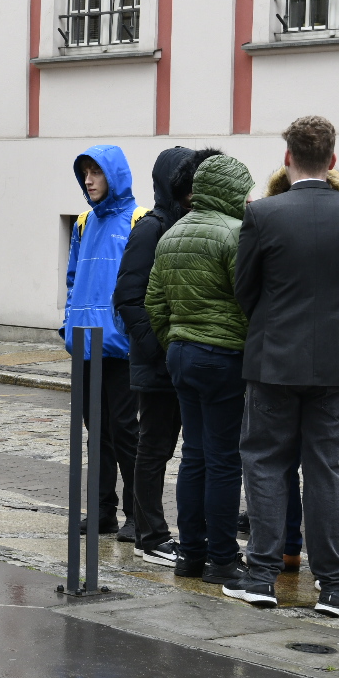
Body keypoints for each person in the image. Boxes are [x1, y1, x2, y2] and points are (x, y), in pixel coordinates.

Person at [226, 116, 339, 617]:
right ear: (332, 161)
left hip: (274, 357)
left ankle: (262, 576)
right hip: (338, 362)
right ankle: (333, 587)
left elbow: (244, 289)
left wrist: (273, 325)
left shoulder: (263, 214)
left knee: (266, 463)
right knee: (330, 469)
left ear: (287, 157)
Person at [144, 152, 254, 586]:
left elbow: (155, 301)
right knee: (225, 460)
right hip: (224, 357)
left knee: (194, 455)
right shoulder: (236, 234)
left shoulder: (172, 233)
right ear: (229, 191)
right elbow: (249, 300)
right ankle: (223, 560)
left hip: (182, 355)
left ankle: (190, 554)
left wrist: (174, 339)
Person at [113, 146, 194, 566]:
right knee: (154, 447)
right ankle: (150, 534)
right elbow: (128, 296)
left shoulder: (190, 223)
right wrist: (157, 344)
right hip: (158, 361)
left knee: (183, 449)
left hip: (185, 357)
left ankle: (176, 533)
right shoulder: (151, 228)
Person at [64, 145, 144, 539]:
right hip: (85, 344)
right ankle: (101, 511)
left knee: (126, 431)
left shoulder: (137, 220)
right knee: (95, 432)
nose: (89, 180)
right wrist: (68, 323)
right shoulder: (82, 223)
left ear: (114, 175)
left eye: (96, 173)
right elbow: (73, 279)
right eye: (86, 174)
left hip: (121, 347)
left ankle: (137, 513)